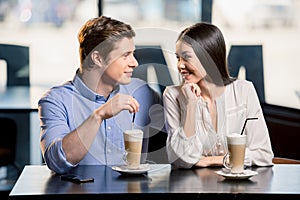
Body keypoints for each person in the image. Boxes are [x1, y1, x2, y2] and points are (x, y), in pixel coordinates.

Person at [38, 16, 164, 174]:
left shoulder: (142, 92)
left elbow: (178, 140)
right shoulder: (55, 100)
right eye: (125, 55)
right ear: (97, 58)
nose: (135, 63)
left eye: (133, 54)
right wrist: (98, 116)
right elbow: (57, 162)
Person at [163, 22, 274, 169]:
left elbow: (263, 154)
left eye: (186, 57)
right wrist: (190, 105)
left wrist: (213, 160)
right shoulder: (172, 95)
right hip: (192, 187)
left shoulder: (244, 91)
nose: (180, 65)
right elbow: (182, 159)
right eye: (178, 58)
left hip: (237, 186)